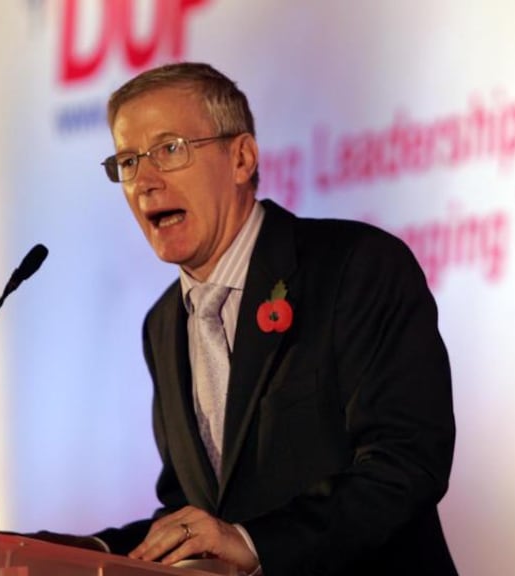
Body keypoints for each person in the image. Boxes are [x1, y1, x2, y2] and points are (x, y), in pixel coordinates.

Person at [76, 62, 456, 575]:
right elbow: (193, 514)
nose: (144, 181)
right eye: (127, 161)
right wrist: (81, 551)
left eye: (170, 150)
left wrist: (254, 544)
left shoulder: (356, 267)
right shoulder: (163, 323)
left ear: (242, 157)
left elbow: (406, 465)